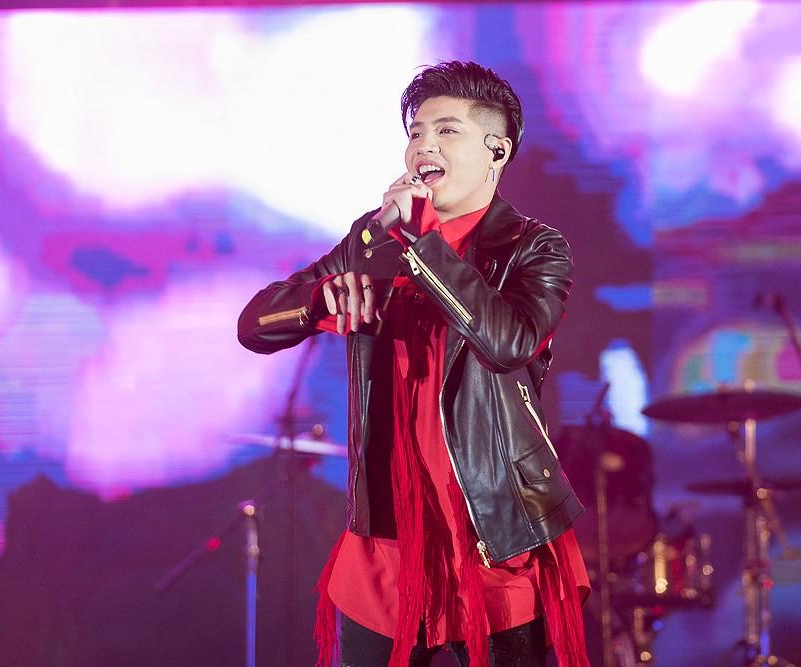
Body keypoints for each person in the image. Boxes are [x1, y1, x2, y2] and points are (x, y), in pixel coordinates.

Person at [238, 61, 589, 667]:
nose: (424, 146)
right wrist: (321, 298)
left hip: (493, 528)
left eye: (447, 131)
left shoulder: (534, 246)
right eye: (416, 133)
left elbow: (508, 342)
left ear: (497, 151)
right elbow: (254, 324)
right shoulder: (373, 240)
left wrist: (422, 243)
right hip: (388, 532)